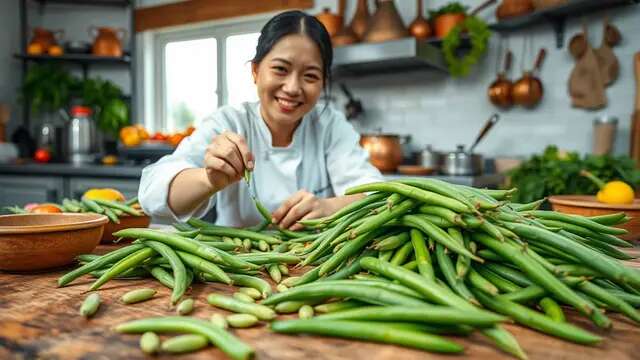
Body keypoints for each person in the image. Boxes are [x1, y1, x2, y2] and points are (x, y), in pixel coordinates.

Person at [139, 10, 383, 230]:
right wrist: (208, 179)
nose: (292, 87)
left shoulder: (330, 125)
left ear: (323, 83)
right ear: (255, 71)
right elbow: (153, 193)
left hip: (311, 266)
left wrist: (329, 207)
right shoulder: (229, 122)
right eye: (280, 69)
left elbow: (378, 197)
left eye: (310, 75)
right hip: (236, 267)